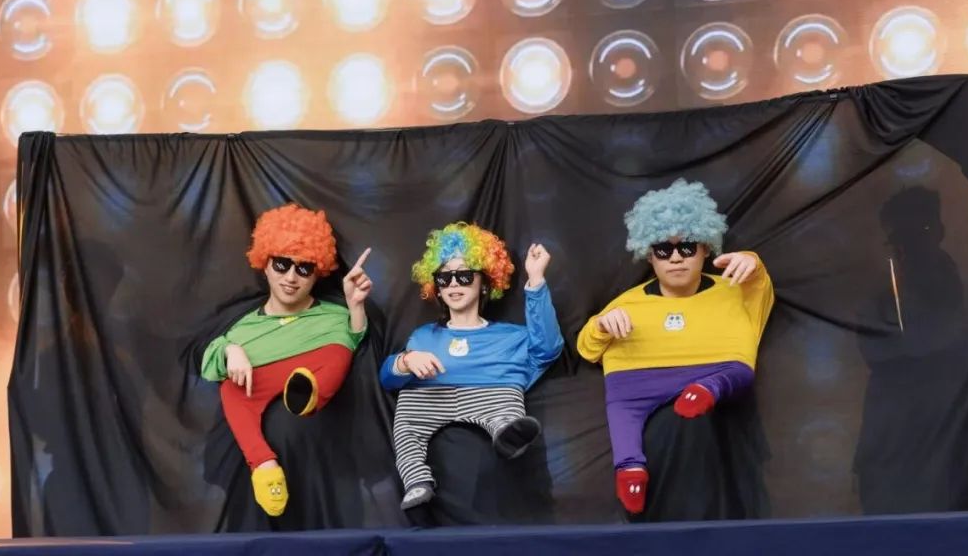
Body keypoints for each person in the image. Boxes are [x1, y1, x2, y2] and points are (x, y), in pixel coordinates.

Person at [577, 179, 774, 514]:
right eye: (663, 250)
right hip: (639, 381)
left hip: (713, 374)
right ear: (649, 255)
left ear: (705, 248)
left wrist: (753, 264)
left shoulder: (734, 291)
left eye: (687, 247)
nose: (676, 259)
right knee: (622, 409)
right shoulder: (627, 302)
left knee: (740, 372)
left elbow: (761, 290)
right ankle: (629, 468)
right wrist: (601, 325)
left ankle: (708, 389)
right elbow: (587, 350)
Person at [200, 203, 372, 517]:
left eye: (304, 268)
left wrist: (356, 305)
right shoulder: (242, 327)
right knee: (232, 390)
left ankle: (308, 392)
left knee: (338, 351)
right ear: (265, 264)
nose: (291, 277)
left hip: (321, 437)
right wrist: (230, 349)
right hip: (262, 383)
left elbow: (357, 339)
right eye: (282, 264)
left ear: (317, 273)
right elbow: (210, 362)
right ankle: (263, 464)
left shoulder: (334, 316)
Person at [380, 223, 563, 510]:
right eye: (445, 278)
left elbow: (548, 348)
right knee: (406, 422)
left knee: (507, 405)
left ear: (485, 282)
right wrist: (405, 361)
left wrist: (536, 280)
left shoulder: (510, 337)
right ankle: (416, 481)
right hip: (429, 398)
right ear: (437, 287)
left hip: (492, 393)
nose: (454, 284)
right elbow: (387, 379)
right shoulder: (423, 336)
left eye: (464, 276)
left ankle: (508, 432)